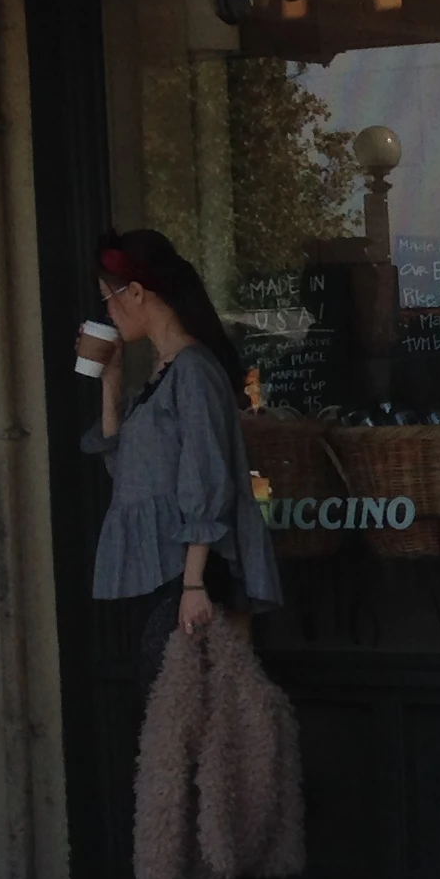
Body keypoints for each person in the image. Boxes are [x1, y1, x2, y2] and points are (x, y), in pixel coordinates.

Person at [85, 231, 282, 686]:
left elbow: (208, 479)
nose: (107, 313)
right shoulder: (163, 370)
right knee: (173, 721)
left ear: (135, 293)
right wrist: (110, 382)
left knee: (195, 723)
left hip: (189, 573)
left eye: (108, 300)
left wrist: (194, 585)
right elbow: (128, 474)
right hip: (164, 570)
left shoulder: (192, 371)